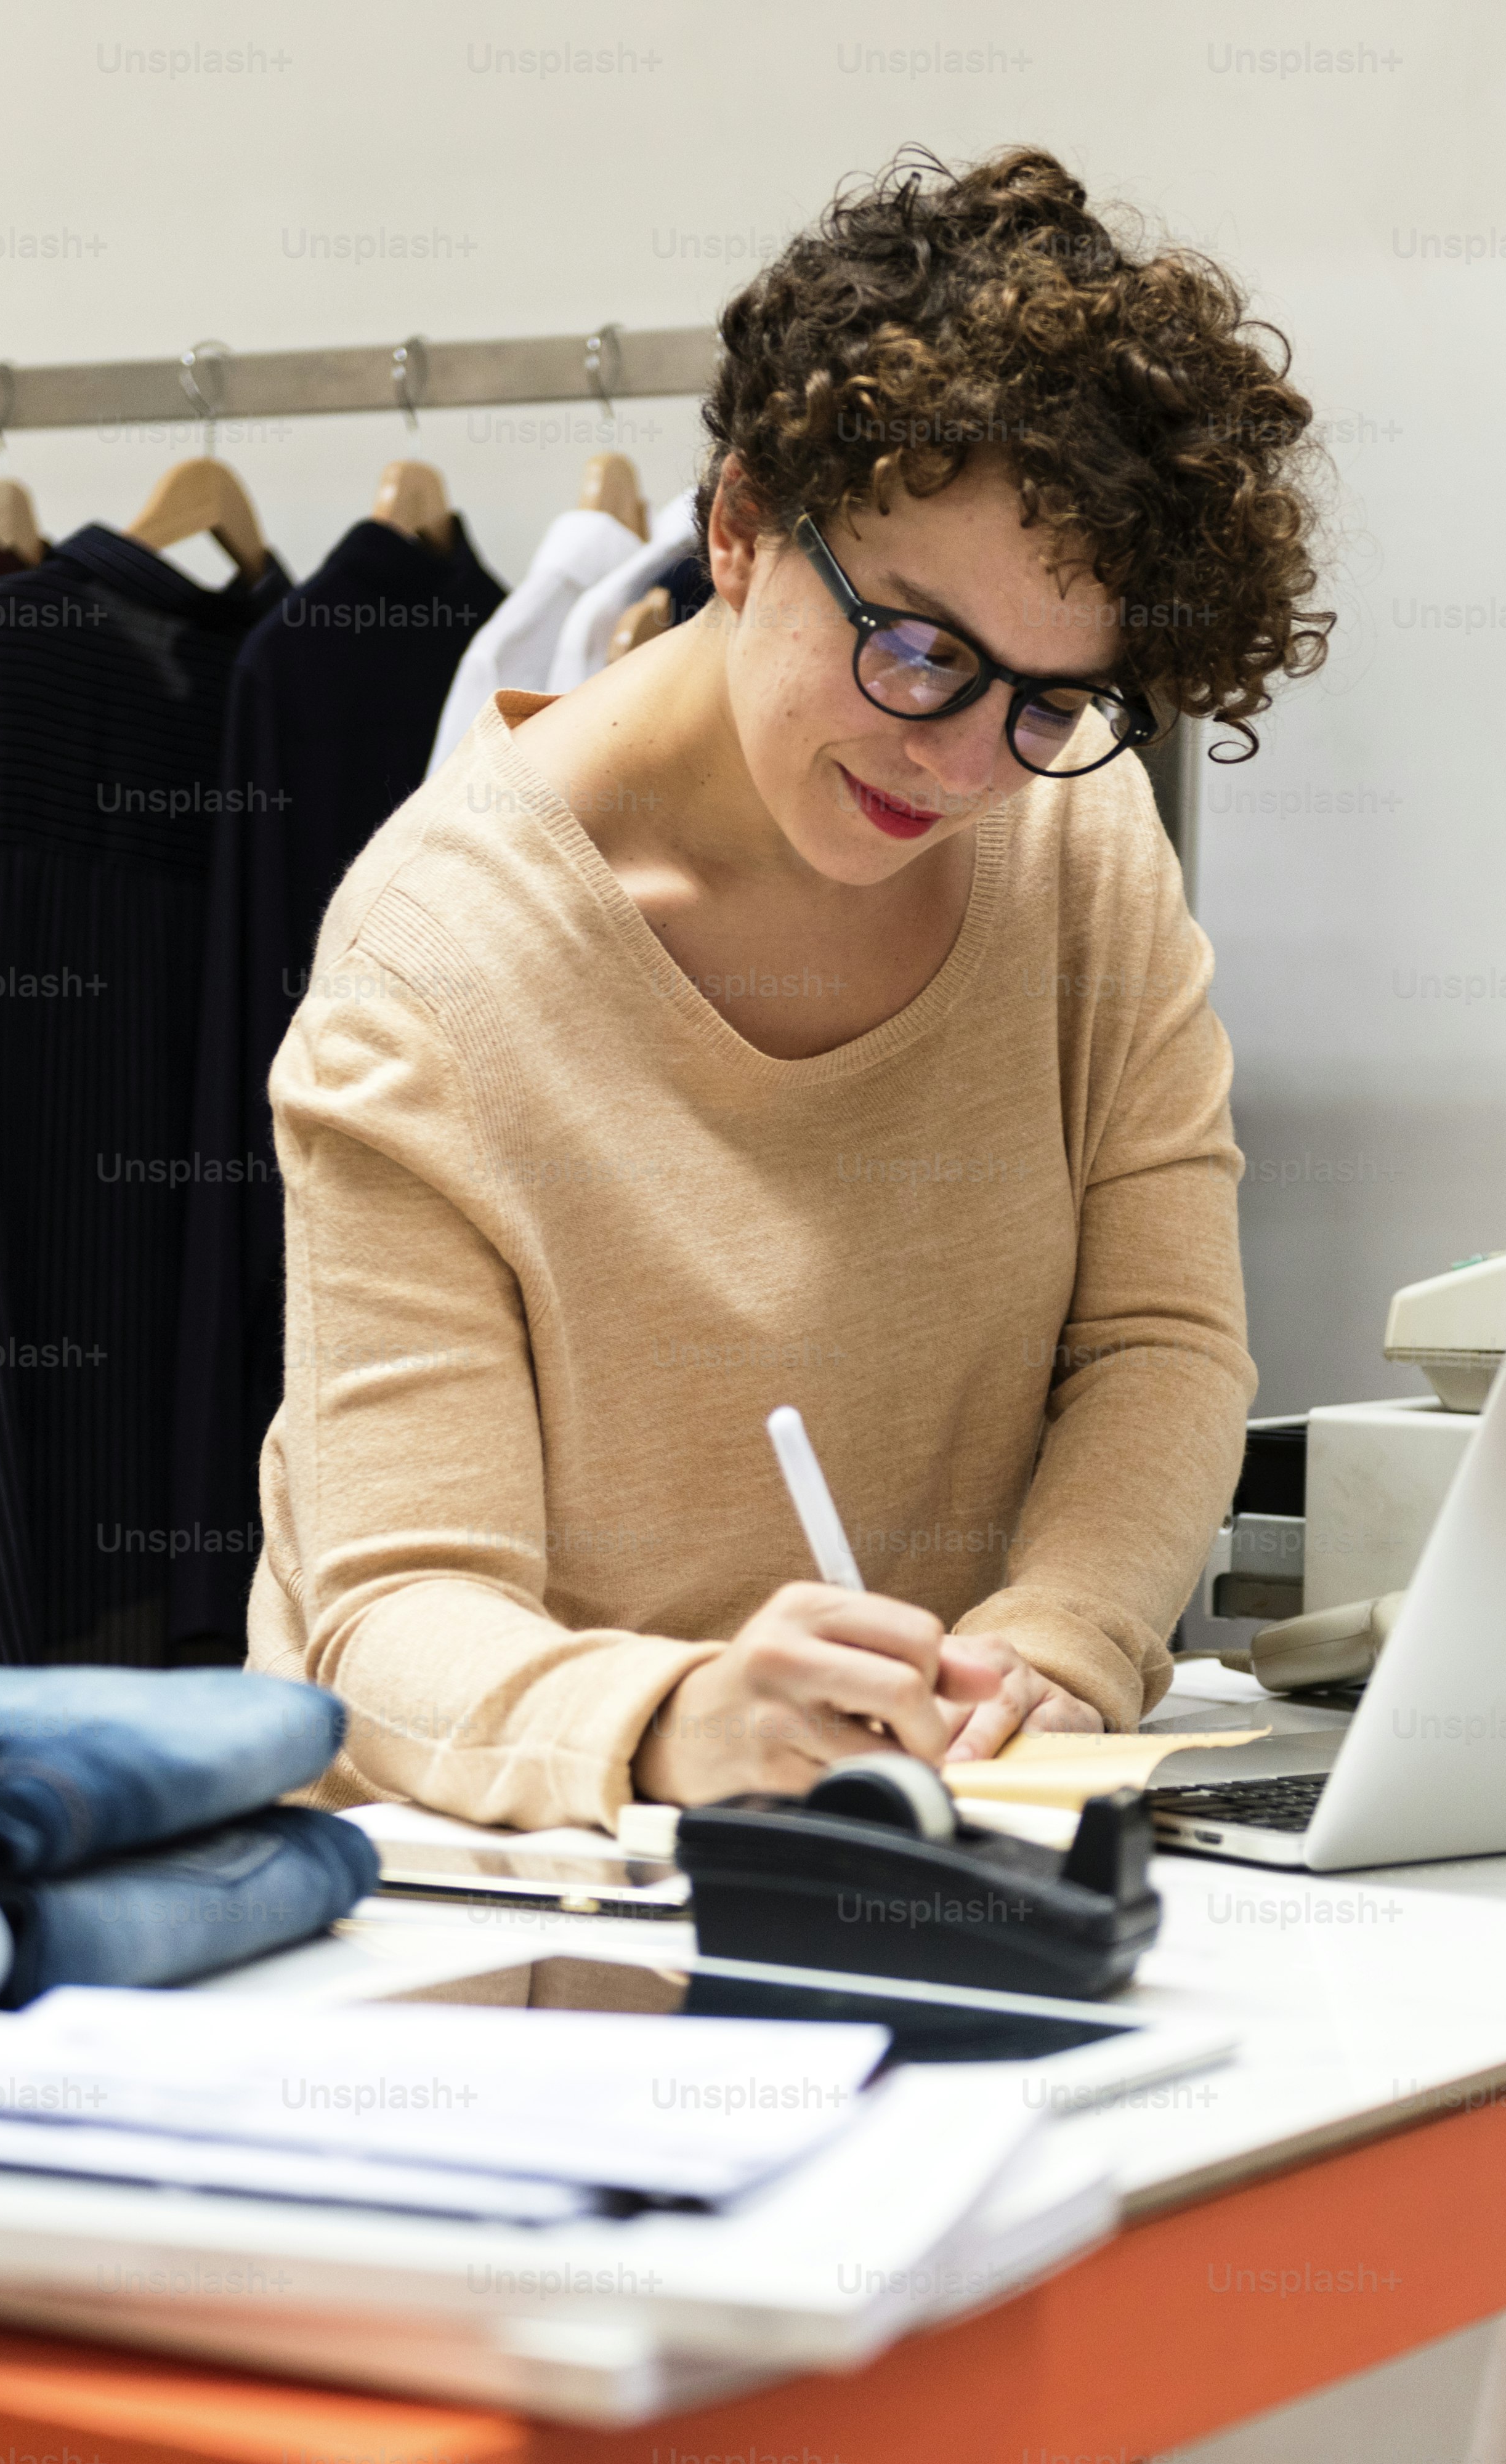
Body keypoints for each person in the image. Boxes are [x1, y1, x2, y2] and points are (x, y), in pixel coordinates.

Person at [244, 144, 1333, 1828]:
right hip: (500, 1899)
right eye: (914, 651)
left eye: (1053, 697)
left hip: (944, 1846)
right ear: (743, 527)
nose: (970, 763)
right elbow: (386, 1616)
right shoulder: (434, 967)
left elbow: (1162, 1342)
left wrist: (1062, 1633)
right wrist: (676, 1714)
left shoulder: (1080, 834)